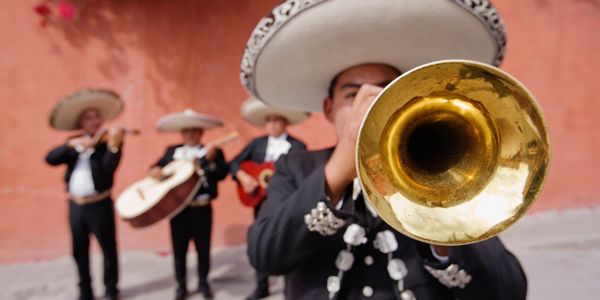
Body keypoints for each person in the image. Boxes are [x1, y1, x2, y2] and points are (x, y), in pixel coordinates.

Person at [240, 0, 527, 299]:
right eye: (352, 94)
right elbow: (264, 256)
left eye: (387, 90)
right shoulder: (296, 167)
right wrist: (338, 170)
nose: (370, 104)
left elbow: (509, 291)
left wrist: (446, 232)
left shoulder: (441, 170)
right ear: (328, 109)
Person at [45, 89, 125, 300]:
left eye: (96, 116)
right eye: (89, 117)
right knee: (79, 250)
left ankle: (111, 289)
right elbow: (50, 159)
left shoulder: (108, 143)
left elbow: (109, 168)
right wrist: (70, 145)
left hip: (100, 204)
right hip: (76, 207)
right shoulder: (73, 144)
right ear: (81, 122)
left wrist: (115, 147)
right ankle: (85, 290)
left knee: (108, 249)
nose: (94, 121)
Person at [229, 98, 308, 300]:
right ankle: (261, 286)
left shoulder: (298, 146)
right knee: (262, 240)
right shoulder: (257, 144)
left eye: (276, 120)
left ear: (285, 123)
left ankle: (291, 287)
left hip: (288, 202)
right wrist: (243, 176)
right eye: (268, 121)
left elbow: (302, 175)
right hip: (261, 202)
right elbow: (234, 163)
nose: (272, 124)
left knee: (290, 240)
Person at [149, 109, 229, 300]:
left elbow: (222, 174)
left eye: (195, 130)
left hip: (202, 207)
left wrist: (210, 162)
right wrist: (155, 171)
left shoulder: (213, 151)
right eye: (187, 131)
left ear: (201, 133)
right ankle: (181, 285)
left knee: (203, 247)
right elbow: (155, 167)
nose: (191, 134)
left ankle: (203, 282)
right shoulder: (172, 152)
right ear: (182, 133)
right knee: (179, 249)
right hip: (178, 209)